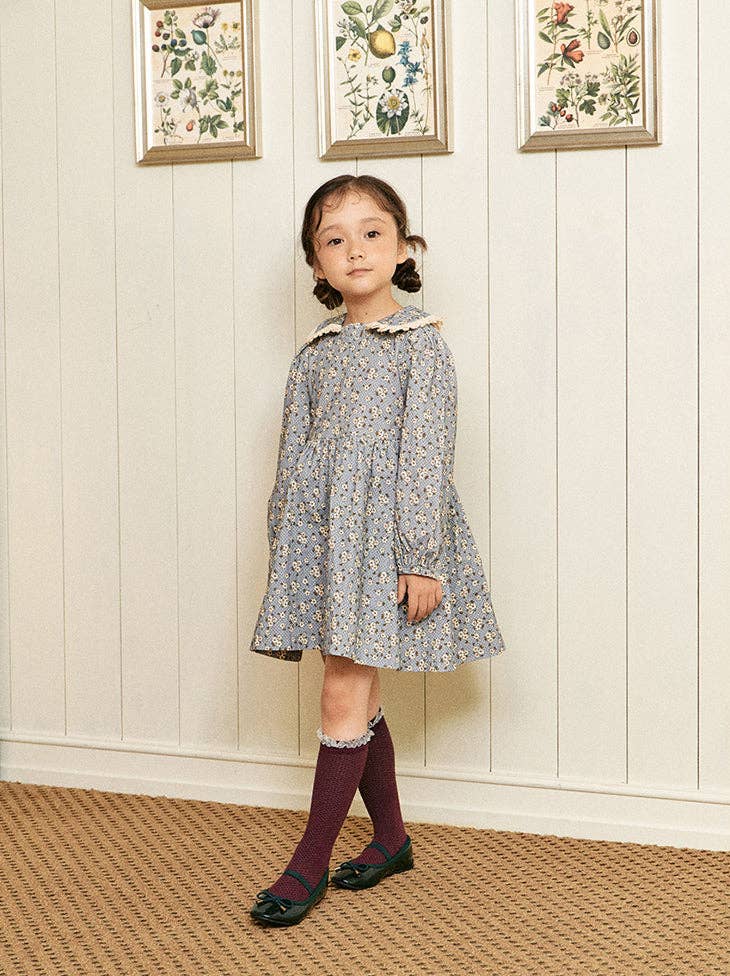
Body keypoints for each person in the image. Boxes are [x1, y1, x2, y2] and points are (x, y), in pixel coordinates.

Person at [249, 174, 506, 926]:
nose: (354, 248)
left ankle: (307, 864)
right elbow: (293, 459)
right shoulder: (316, 354)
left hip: (386, 548)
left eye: (370, 232)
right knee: (358, 692)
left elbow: (426, 455)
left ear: (403, 247)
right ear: (316, 265)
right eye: (334, 239)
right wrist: (286, 548)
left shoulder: (419, 346)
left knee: (342, 689)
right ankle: (389, 838)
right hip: (325, 549)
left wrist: (420, 556)